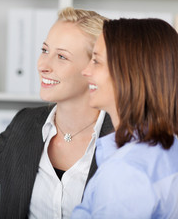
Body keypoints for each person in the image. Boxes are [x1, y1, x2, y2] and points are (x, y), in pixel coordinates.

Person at [0, 7, 114, 219]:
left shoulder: (123, 139)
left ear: (95, 68)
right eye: (44, 50)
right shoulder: (24, 124)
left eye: (61, 56)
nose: (43, 65)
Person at [72, 18, 178, 218]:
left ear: (129, 72)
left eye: (96, 61)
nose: (85, 71)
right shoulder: (169, 149)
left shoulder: (126, 172)